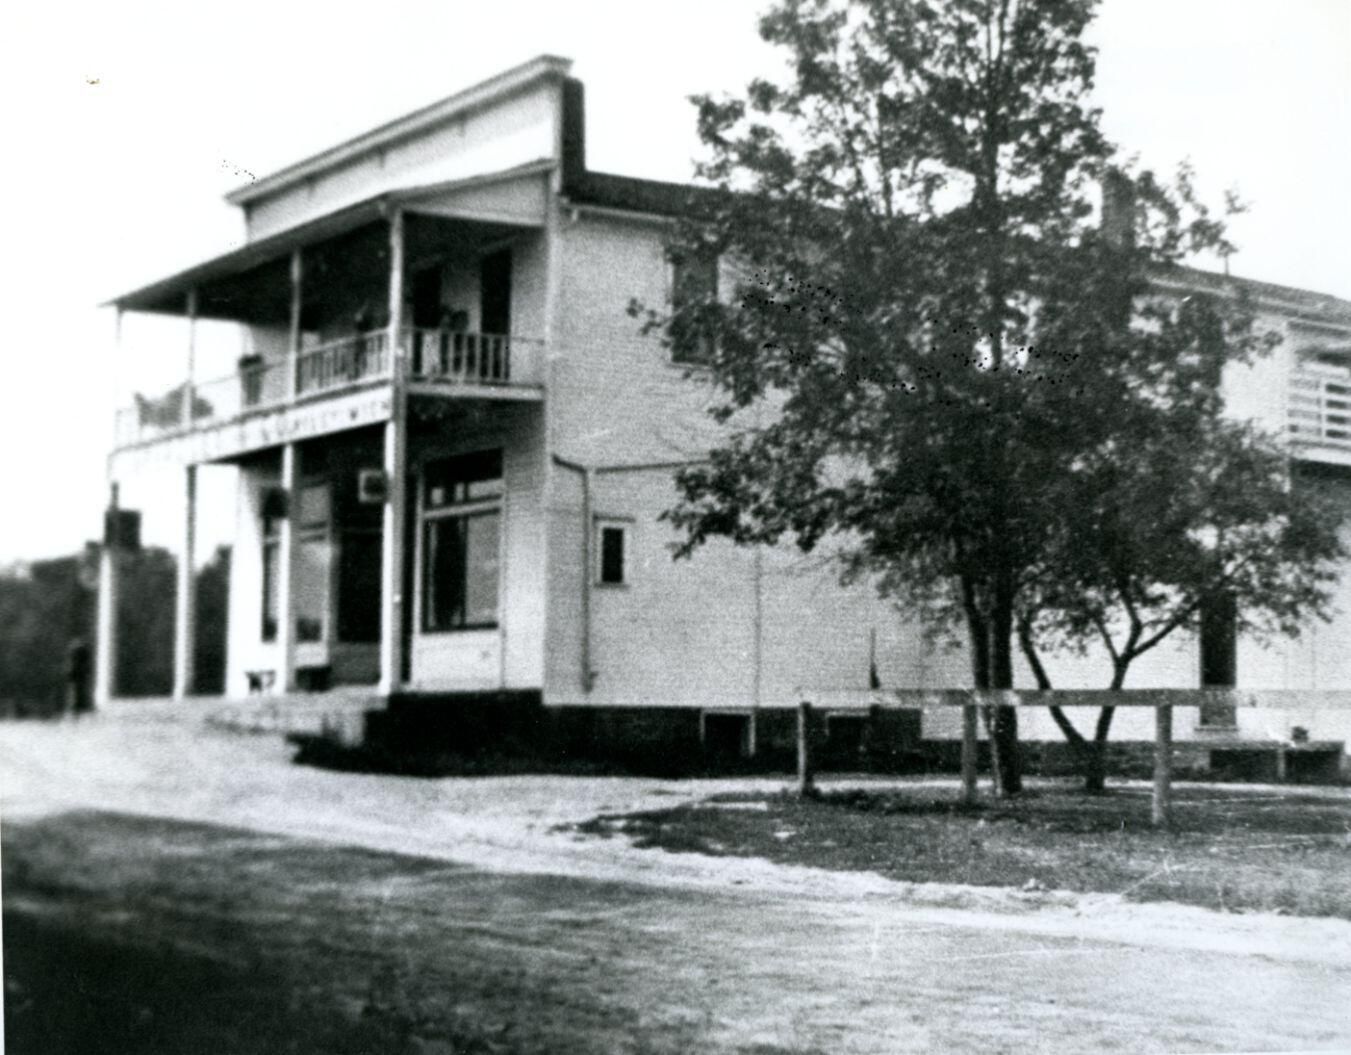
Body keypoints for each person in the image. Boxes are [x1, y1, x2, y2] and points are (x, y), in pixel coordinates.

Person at [66, 636, 92, 717]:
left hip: (77, 674)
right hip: (79, 674)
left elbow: (72, 664)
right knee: (78, 691)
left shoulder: (76, 651)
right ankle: (78, 708)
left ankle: (77, 709)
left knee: (76, 691)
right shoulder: (83, 651)